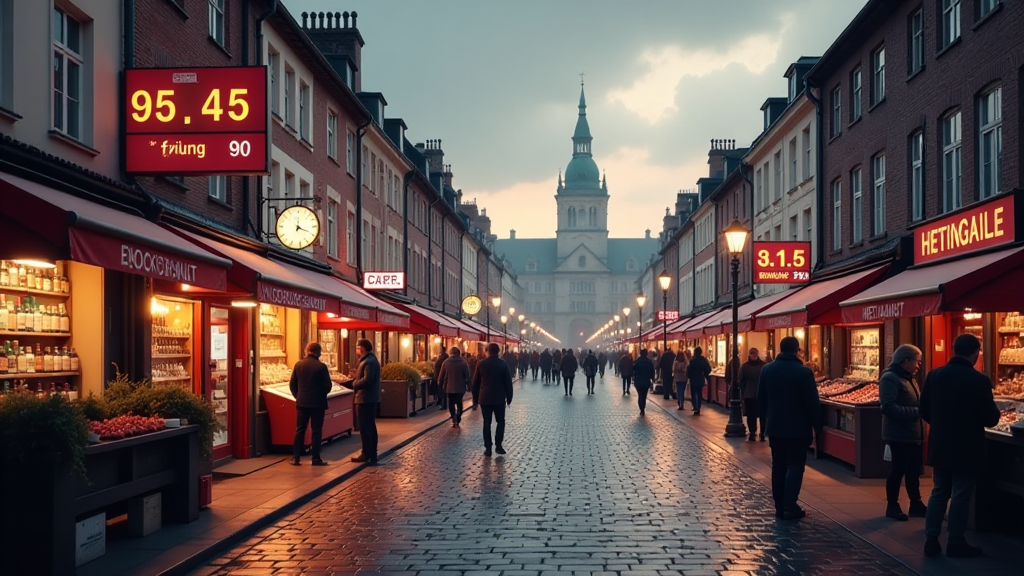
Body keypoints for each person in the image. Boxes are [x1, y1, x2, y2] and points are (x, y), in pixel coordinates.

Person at [921, 334, 1001, 558]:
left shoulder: (934, 375)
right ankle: (955, 541)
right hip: (967, 447)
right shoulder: (978, 380)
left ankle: (931, 538)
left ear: (954, 350)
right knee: (961, 494)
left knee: (939, 491)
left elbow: (924, 409)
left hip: (940, 444)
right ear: (975, 353)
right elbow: (990, 418)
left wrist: (940, 426)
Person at [757, 336, 819, 521]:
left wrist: (768, 419)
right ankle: (789, 504)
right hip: (798, 428)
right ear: (797, 350)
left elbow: (761, 399)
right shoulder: (804, 372)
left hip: (775, 426)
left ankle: (779, 504)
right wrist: (816, 425)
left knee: (778, 465)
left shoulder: (767, 369)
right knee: (796, 464)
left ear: (780, 349)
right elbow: (812, 402)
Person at [879, 344, 926, 522]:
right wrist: (918, 412)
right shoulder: (890, 378)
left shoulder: (909, 378)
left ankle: (916, 503)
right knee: (898, 469)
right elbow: (888, 408)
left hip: (913, 433)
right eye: (917, 361)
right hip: (898, 434)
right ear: (905, 361)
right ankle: (892, 505)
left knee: (913, 470)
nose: (918, 366)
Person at [289, 342, 333, 466]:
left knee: (300, 430)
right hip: (318, 404)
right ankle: (315, 458)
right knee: (316, 430)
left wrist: (298, 396)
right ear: (318, 352)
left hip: (302, 403)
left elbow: (292, 384)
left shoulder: (298, 365)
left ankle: (296, 457)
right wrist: (321, 395)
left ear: (307, 350)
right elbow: (327, 386)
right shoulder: (321, 367)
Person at [471, 343, 514, 457]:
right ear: (498, 351)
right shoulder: (503, 364)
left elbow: (475, 383)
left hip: (485, 398)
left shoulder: (481, 364)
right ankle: (498, 446)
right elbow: (508, 383)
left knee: (487, 423)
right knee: (500, 421)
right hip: (499, 398)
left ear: (488, 351)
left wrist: (475, 400)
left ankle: (488, 447)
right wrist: (509, 398)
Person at [351, 339, 381, 464]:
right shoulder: (369, 360)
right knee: (369, 426)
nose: (357, 350)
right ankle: (370, 452)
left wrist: (355, 383)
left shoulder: (369, 361)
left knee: (366, 426)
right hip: (368, 398)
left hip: (365, 398)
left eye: (358, 347)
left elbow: (367, 380)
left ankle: (368, 453)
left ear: (362, 348)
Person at [437, 346, 471, 428]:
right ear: (459, 353)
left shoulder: (446, 362)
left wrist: (440, 384)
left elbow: (441, 376)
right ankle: (458, 415)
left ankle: (454, 417)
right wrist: (468, 385)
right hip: (460, 387)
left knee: (451, 403)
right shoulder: (463, 362)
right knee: (459, 403)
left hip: (449, 387)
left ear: (451, 353)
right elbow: (468, 375)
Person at [740, 348, 766, 441]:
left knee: (762, 415)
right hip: (750, 394)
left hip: (759, 394)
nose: (753, 355)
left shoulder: (762, 366)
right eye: (751, 353)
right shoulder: (746, 367)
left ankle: (762, 433)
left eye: (754, 353)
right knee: (752, 415)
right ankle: (753, 432)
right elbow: (741, 380)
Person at [686, 347, 712, 415]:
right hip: (700, 378)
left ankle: (695, 406)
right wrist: (705, 375)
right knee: (699, 394)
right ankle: (698, 408)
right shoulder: (703, 360)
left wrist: (689, 376)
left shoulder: (692, 360)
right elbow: (708, 369)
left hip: (693, 379)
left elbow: (689, 370)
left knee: (693, 393)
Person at [631, 348, 655, 416]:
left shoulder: (637, 361)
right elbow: (652, 371)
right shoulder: (648, 362)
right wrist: (652, 378)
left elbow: (633, 369)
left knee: (640, 394)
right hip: (646, 380)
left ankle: (641, 406)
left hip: (638, 380)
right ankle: (643, 407)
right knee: (644, 395)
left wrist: (633, 376)